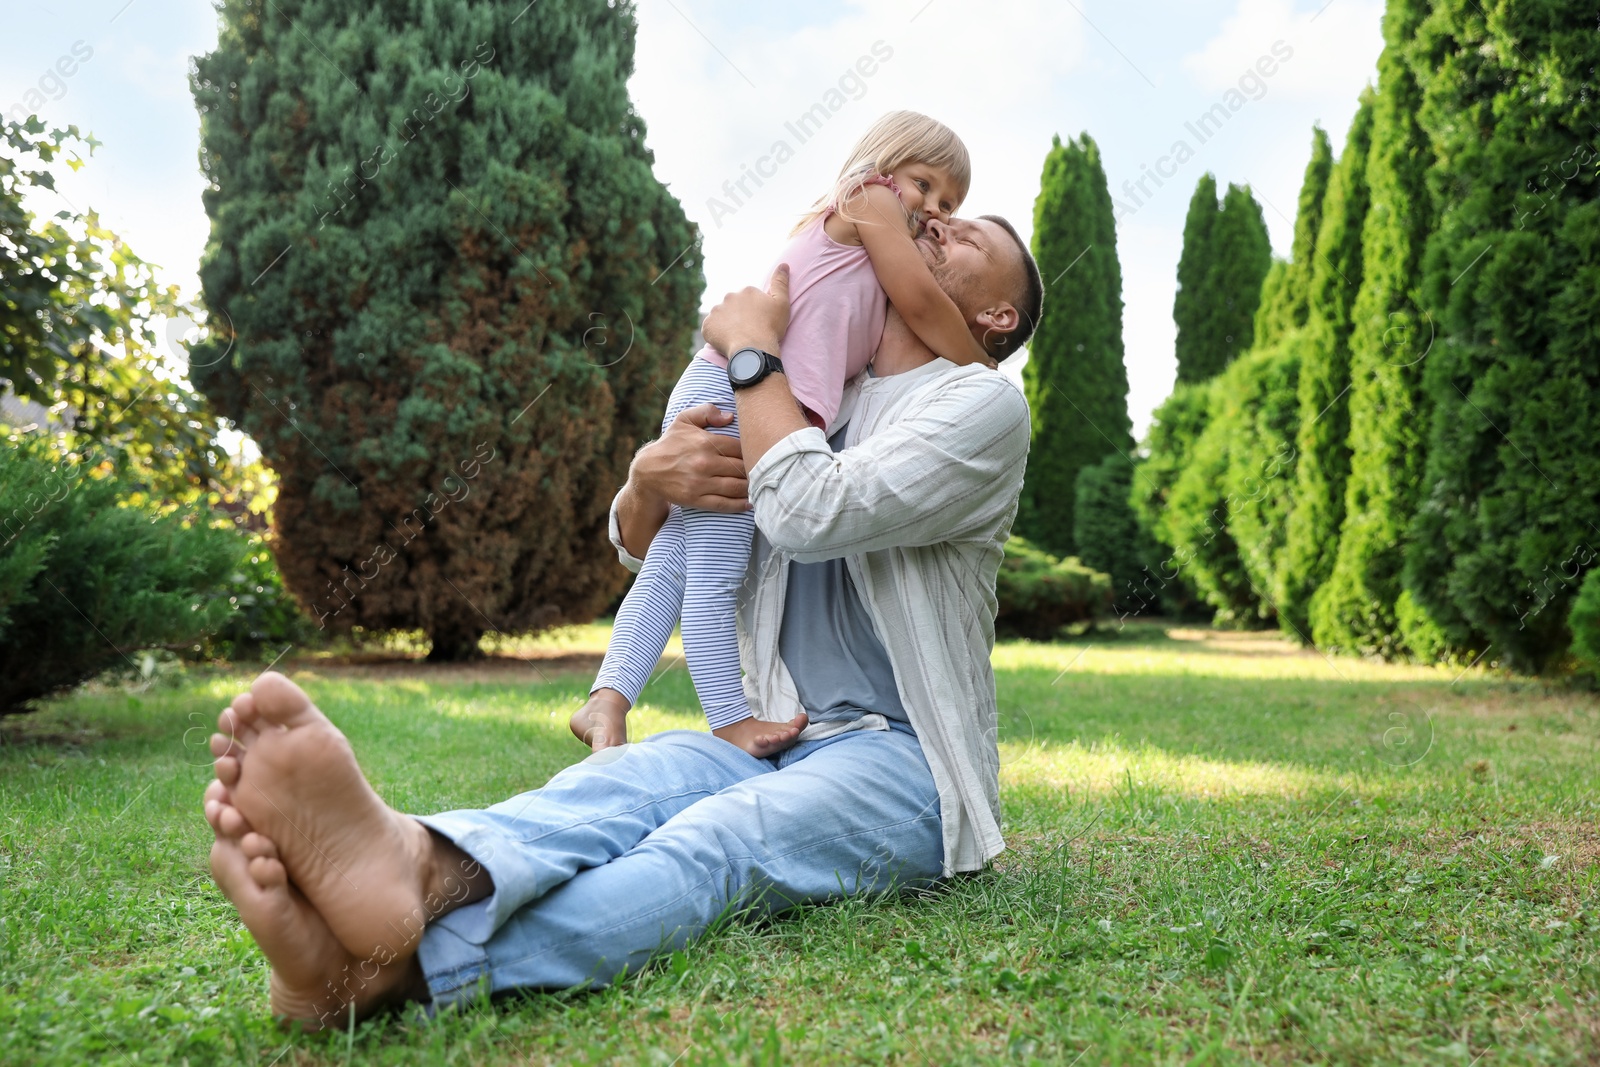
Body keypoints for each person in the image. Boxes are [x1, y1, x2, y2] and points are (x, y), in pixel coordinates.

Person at [201, 212, 1045, 1029]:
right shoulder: (821, 390)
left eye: (964, 234)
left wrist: (753, 350)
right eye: (931, 218)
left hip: (905, 763)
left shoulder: (980, 409)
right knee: (613, 787)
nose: (932, 225)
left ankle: (402, 969)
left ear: (996, 314)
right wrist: (649, 476)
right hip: (783, 734)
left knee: (717, 839)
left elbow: (806, 510)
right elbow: (654, 545)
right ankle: (416, 861)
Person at [579, 111, 997, 759]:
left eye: (950, 204)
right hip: (733, 390)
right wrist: (983, 362)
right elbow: (920, 301)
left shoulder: (875, 250)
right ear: (887, 164)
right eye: (926, 185)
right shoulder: (869, 198)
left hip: (725, 384)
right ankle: (728, 718)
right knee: (713, 574)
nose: (933, 210)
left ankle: (607, 698)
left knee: (672, 564)